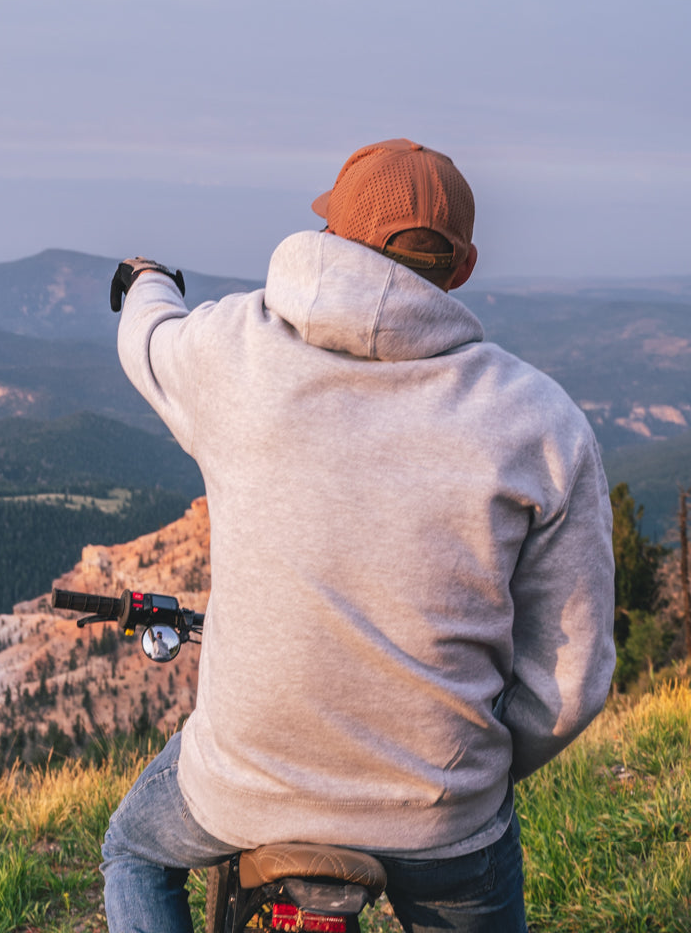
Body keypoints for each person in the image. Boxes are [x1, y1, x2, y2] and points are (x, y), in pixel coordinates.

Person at [100, 138, 616, 933]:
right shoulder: (539, 420)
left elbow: (149, 340)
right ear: (462, 267)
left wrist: (148, 282)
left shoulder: (235, 350)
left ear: (331, 237)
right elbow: (572, 676)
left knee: (134, 851)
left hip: (243, 785)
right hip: (441, 808)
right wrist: (470, 765)